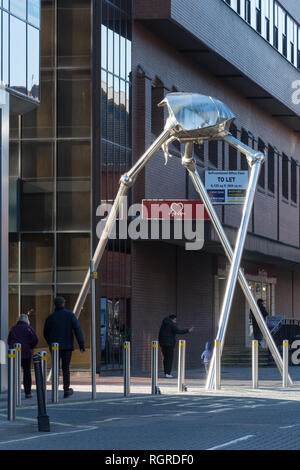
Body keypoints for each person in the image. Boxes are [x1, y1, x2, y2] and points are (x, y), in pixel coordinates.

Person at [43, 296, 86, 398]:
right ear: (63, 304)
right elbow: (77, 330)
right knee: (66, 368)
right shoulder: (70, 315)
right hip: (67, 346)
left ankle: (55, 388)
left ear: (54, 305)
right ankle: (66, 389)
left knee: (56, 367)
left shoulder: (51, 317)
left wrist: (50, 342)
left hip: (55, 347)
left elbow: (45, 332)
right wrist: (81, 345)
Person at [8, 313, 38, 398]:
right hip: (26, 353)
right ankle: (27, 392)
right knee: (26, 372)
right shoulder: (29, 328)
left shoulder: (13, 328)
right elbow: (35, 340)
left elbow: (9, 340)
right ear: (27, 321)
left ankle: (14, 392)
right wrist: (30, 347)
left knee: (14, 372)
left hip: (14, 354)